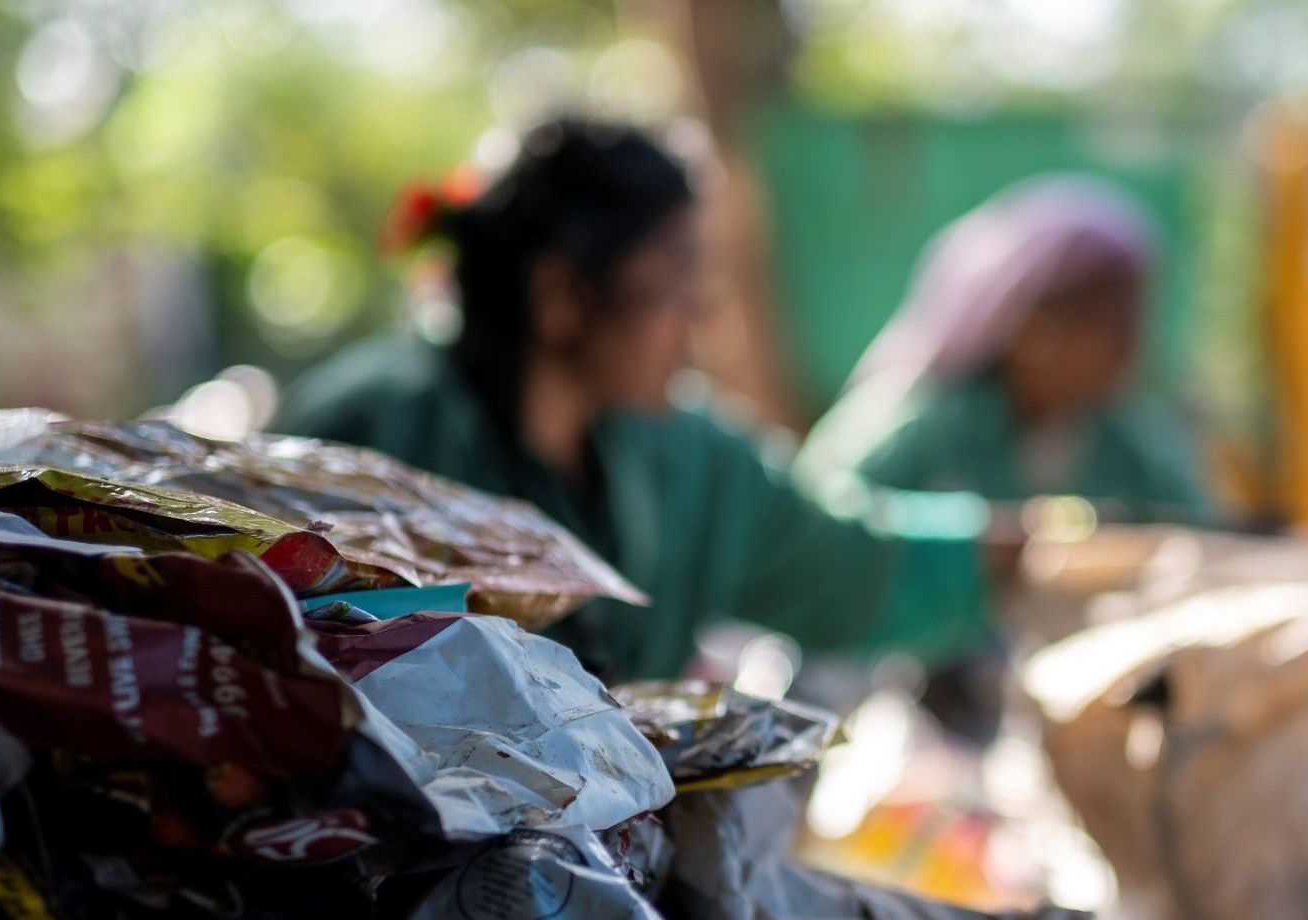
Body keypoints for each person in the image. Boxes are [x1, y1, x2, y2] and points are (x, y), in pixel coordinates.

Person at [276, 117, 995, 683]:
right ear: (559, 294)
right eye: (676, 276)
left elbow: (843, 564)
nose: (700, 316)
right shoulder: (371, 434)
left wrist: (1018, 552)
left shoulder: (686, 459)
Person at [794, 176, 1209, 527]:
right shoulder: (920, 422)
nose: (1131, 344)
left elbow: (1206, 534)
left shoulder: (1126, 444)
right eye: (1108, 323)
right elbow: (820, 526)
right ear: (1033, 330)